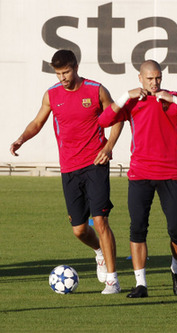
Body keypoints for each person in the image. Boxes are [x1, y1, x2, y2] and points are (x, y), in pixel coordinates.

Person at [10, 49, 123, 294]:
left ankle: (113, 279)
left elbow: (117, 117)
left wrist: (109, 146)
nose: (62, 77)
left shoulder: (96, 90)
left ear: (76, 67)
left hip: (95, 164)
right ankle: (99, 253)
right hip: (69, 168)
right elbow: (37, 122)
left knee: (101, 220)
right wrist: (21, 139)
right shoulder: (51, 95)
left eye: (66, 72)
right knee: (79, 230)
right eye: (58, 73)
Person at [98, 60, 177, 298]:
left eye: (158, 77)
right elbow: (103, 121)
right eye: (149, 78)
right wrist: (123, 97)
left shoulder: (173, 98)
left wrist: (174, 99)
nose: (154, 82)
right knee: (137, 229)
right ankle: (141, 284)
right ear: (140, 78)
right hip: (140, 174)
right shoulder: (132, 101)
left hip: (170, 173)